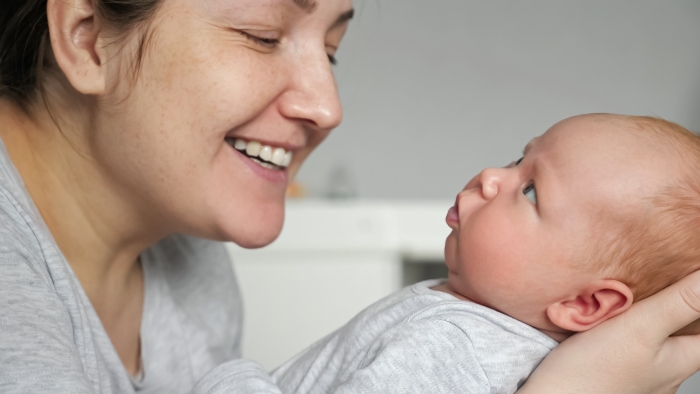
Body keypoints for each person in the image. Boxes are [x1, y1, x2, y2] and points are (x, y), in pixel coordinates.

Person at [0, 0, 699, 392]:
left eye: (331, 49)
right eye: (262, 35)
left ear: (587, 303)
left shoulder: (189, 259)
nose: (328, 107)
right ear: (89, 39)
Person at [271, 114, 700, 393]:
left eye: (530, 190)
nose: (491, 176)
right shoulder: (468, 322)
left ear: (583, 304)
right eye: (518, 160)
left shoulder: (456, 352)